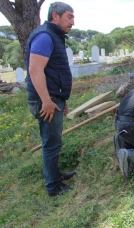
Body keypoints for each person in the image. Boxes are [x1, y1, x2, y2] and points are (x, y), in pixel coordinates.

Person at [26, 2, 76, 197]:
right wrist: (47, 100)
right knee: (51, 143)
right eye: (69, 16)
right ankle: (54, 188)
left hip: (53, 97)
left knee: (54, 141)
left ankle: (55, 175)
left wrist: (61, 98)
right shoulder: (45, 36)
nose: (73, 21)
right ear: (55, 16)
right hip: (45, 100)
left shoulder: (53, 35)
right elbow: (35, 70)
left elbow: (52, 71)